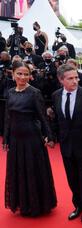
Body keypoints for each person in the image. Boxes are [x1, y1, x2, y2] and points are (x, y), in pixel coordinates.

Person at [2, 61, 57, 216]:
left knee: (33, 170)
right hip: (15, 138)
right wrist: (6, 138)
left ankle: (37, 204)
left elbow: (43, 117)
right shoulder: (10, 92)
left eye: (26, 74)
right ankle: (22, 203)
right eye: (19, 73)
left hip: (32, 138)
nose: (23, 77)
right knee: (18, 170)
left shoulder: (35, 93)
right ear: (13, 75)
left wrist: (49, 136)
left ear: (30, 76)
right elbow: (8, 117)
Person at [50, 64, 82, 224]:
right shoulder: (56, 95)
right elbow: (58, 120)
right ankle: (77, 206)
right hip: (66, 145)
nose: (75, 81)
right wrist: (52, 136)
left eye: (76, 77)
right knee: (72, 178)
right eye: (70, 78)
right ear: (61, 80)